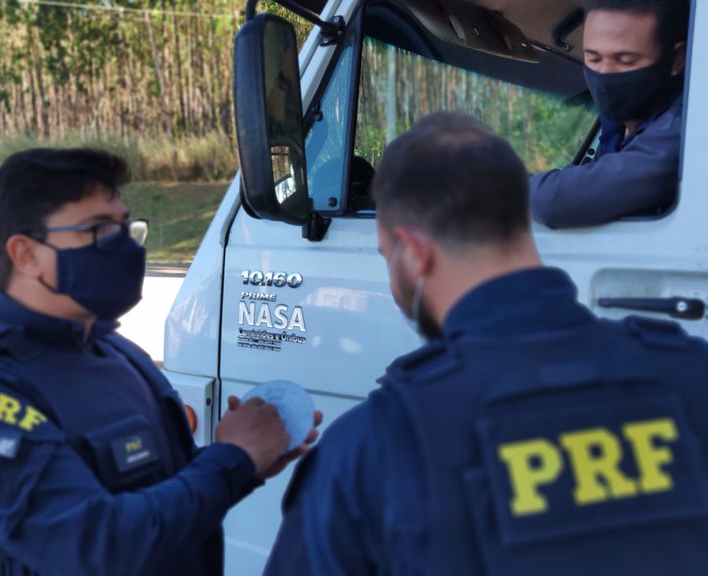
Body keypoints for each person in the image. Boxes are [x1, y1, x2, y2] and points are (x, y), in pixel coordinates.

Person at [265, 110, 708, 575]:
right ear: (519, 220)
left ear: (413, 254)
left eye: (385, 255)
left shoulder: (372, 450)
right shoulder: (691, 373)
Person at [0, 148, 318, 575]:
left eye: (126, 229)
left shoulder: (119, 354)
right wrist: (233, 458)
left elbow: (157, 489)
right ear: (26, 254)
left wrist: (245, 461)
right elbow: (97, 546)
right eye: (100, 231)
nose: (122, 248)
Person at [530, 0, 689, 228]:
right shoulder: (615, 129)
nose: (603, 74)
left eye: (625, 60)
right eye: (593, 58)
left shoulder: (685, 131)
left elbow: (554, 202)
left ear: (677, 60)